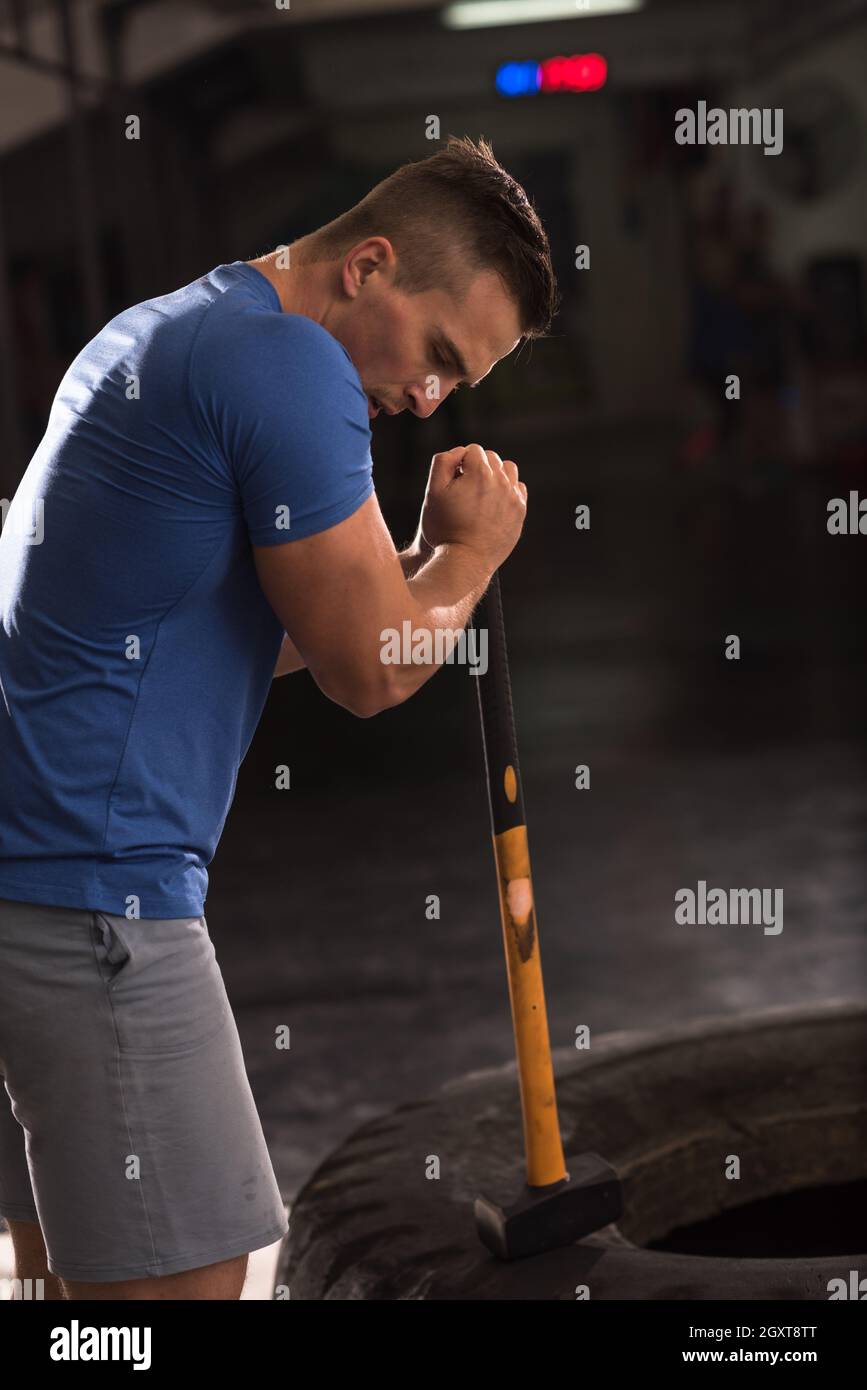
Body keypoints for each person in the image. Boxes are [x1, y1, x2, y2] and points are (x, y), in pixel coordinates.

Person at [0, 136, 558, 1299]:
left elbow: (258, 617)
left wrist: (408, 568)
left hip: (37, 879)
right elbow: (371, 667)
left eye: (457, 386)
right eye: (438, 355)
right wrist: (467, 552)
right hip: (95, 898)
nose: (426, 396)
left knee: (79, 1301)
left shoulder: (164, 330)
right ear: (366, 265)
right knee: (179, 1299)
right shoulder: (287, 365)